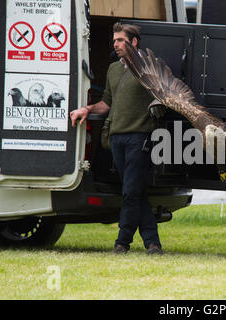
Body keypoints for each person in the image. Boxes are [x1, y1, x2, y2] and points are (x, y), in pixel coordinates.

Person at [70, 22, 163, 255]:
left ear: (133, 42)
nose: (116, 44)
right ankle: (152, 243)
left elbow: (163, 95)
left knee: (130, 192)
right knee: (135, 191)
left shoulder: (148, 67)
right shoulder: (113, 69)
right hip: (116, 139)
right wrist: (86, 109)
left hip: (139, 138)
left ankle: (122, 243)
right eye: (114, 41)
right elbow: (106, 103)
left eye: (121, 40)